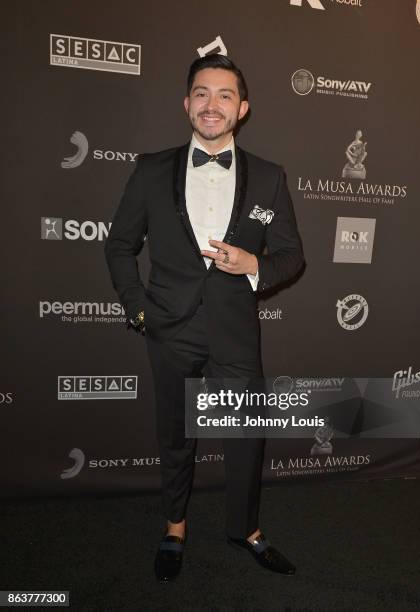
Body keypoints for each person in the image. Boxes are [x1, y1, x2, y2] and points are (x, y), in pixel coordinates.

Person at [104, 54, 305, 582]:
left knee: (245, 437)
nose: (210, 104)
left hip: (235, 332)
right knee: (175, 435)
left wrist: (254, 264)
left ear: (242, 108)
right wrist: (139, 308)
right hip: (168, 328)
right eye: (201, 93)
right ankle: (175, 527)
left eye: (223, 95)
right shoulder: (150, 169)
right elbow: (120, 246)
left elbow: (292, 256)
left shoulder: (269, 177)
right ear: (186, 103)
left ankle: (246, 530)